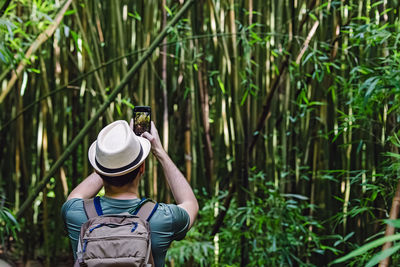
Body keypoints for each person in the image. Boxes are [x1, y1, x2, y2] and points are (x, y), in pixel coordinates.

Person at [61, 120, 199, 266]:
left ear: (97, 170)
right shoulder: (163, 218)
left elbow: (76, 195)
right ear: (142, 168)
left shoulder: (75, 214)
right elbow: (191, 204)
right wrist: (159, 151)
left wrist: (110, 159)